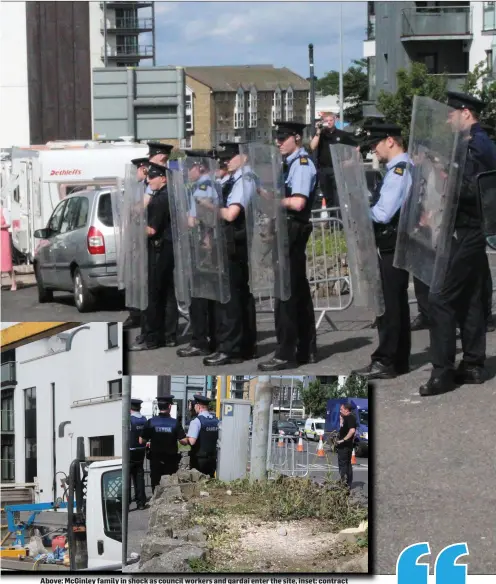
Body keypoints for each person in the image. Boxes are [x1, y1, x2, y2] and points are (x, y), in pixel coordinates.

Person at [420, 91, 496, 396]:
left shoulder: (474, 145)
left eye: (451, 114)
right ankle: (474, 364)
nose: (448, 119)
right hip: (472, 228)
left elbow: (472, 190)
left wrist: (444, 173)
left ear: (465, 113)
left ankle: (443, 371)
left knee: (440, 297)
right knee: (472, 297)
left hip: (469, 228)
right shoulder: (481, 142)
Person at [352, 123, 412, 380]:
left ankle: (386, 359)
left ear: (390, 141)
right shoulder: (401, 167)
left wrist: (360, 210)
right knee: (396, 303)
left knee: (389, 304)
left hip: (392, 242)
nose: (374, 150)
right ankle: (398, 359)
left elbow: (384, 213)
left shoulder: (399, 170)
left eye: (376, 144)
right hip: (398, 242)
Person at [258, 121, 317, 371]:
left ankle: (285, 353)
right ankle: (305, 349)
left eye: (283, 138)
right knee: (297, 292)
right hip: (288, 228)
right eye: (277, 138)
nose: (278, 142)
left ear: (297, 138)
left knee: (286, 294)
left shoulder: (302, 165)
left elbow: (299, 203)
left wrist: (274, 200)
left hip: (293, 228)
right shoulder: (291, 164)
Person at [203, 142, 257, 367]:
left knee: (231, 299)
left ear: (243, 157)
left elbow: (231, 214)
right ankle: (242, 345)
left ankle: (231, 348)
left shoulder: (245, 180)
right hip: (229, 243)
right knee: (235, 297)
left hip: (235, 244)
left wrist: (208, 206)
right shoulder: (236, 179)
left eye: (230, 157)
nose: (226, 161)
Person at [128, 162, 178, 351]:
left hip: (159, 249)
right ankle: (166, 335)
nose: (149, 181)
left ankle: (152, 338)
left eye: (152, 177)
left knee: (154, 295)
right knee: (166, 294)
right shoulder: (165, 196)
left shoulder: (160, 200)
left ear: (163, 179)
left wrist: (134, 227)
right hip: (165, 248)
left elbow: (151, 229)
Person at [177, 151, 219, 358]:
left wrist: (187, 220)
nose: (187, 171)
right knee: (201, 295)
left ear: (200, 167)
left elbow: (201, 220)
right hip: (202, 244)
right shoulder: (201, 186)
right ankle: (203, 337)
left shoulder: (204, 188)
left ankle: (201, 340)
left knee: (200, 296)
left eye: (190, 167)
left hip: (204, 245)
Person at [123, 157, 151, 333]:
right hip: (136, 238)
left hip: (146, 239)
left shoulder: (148, 188)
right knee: (134, 279)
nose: (136, 174)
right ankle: (135, 313)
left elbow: (138, 210)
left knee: (143, 280)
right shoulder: (137, 188)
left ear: (144, 169)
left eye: (138, 170)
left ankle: (141, 315)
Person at [309, 112, 357, 209]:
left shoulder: (342, 134)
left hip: (337, 168)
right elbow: (312, 147)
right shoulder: (320, 134)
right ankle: (332, 218)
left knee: (338, 196)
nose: (329, 122)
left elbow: (356, 147)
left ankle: (339, 218)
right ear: (323, 122)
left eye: (331, 120)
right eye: (327, 121)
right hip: (323, 169)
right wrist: (318, 131)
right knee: (327, 196)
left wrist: (351, 161)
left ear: (335, 120)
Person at [140, 396, 187, 492]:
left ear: (158, 406)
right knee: (170, 484)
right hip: (171, 459)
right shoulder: (175, 423)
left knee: (155, 483)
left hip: (156, 458)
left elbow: (141, 441)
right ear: (169, 406)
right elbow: (183, 441)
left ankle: (155, 501)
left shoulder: (151, 422)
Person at [185, 394, 219, 477]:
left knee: (198, 485)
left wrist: (185, 438)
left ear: (198, 406)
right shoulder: (216, 420)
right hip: (213, 459)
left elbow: (192, 442)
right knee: (210, 483)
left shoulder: (196, 421)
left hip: (199, 459)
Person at [129, 398, 147, 510]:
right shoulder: (144, 419)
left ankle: (126, 503)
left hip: (130, 451)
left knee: (127, 477)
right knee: (139, 476)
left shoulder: (129, 420)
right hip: (141, 450)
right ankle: (141, 502)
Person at [335, 403, 357, 490]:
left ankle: (344, 484)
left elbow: (352, 431)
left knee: (344, 465)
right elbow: (345, 429)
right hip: (344, 446)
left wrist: (343, 440)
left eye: (341, 409)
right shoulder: (346, 418)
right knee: (347, 464)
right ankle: (347, 484)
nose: (340, 411)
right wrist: (341, 421)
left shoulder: (350, 417)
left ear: (346, 410)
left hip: (345, 446)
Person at [1, 207, 17, 291]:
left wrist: (0, 226)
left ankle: (13, 283)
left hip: (3, 236)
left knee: (6, 260)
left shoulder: (4, 210)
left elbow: (8, 224)